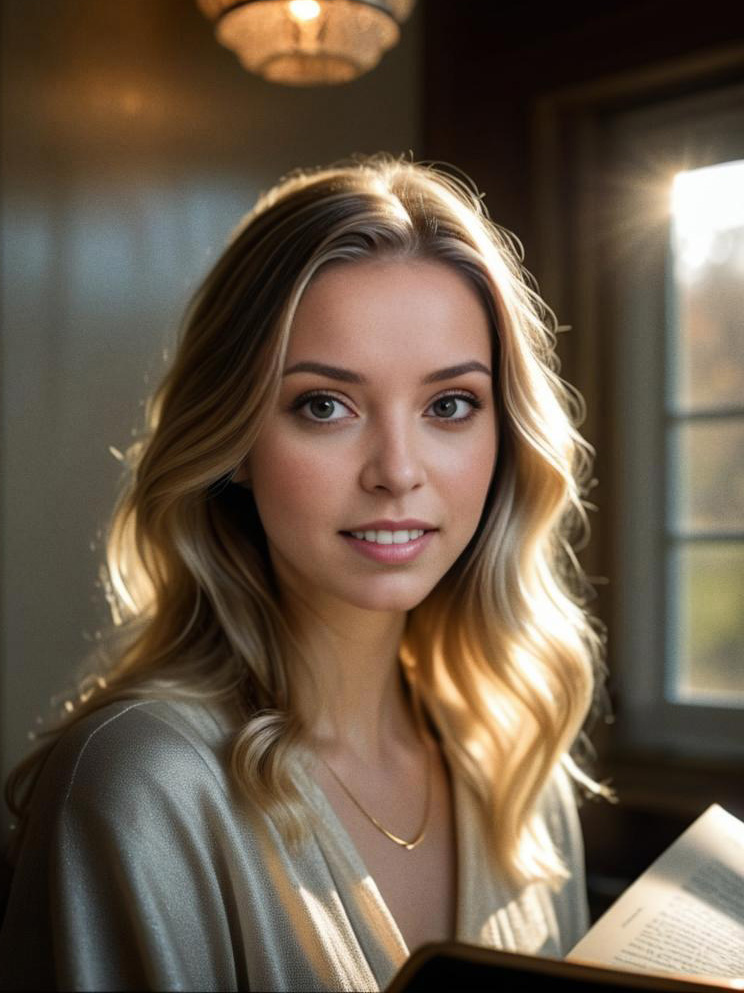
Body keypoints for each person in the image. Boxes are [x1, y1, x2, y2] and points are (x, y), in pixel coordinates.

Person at [0, 153, 607, 992]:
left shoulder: (514, 771)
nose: (398, 470)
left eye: (449, 404)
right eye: (324, 404)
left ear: (504, 439)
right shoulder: (142, 786)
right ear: (236, 445)